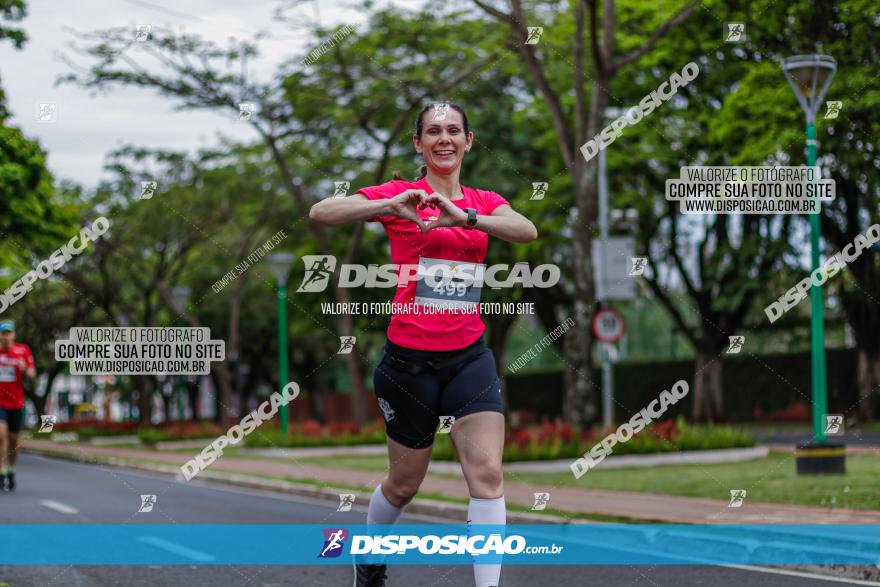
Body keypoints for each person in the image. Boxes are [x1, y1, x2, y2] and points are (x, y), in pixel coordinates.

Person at [309, 101, 538, 587]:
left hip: (468, 358)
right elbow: (322, 211)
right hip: (408, 363)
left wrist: (467, 218)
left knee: (488, 475)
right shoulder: (401, 195)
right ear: (419, 143)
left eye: (454, 130)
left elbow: (525, 229)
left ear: (468, 141)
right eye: (433, 131)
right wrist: (386, 206)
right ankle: (369, 558)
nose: (444, 138)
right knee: (404, 482)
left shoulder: (483, 200)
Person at [0, 319, 36, 492]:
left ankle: (11, 469)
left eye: (9, 333)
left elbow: (32, 374)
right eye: (3, 333)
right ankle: (1, 471)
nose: (6, 336)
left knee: (14, 441)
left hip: (16, 402)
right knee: (1, 436)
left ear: (13, 335)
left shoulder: (22, 351)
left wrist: (24, 368)